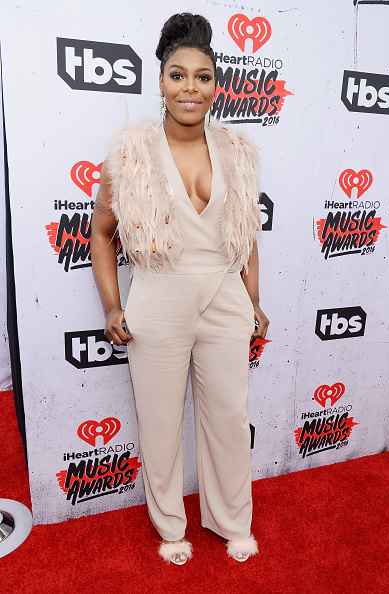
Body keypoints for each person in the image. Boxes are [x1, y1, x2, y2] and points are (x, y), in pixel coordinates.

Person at [90, 12, 269, 565]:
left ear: (217, 83)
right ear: (160, 80)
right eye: (178, 74)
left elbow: (246, 234)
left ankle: (232, 519)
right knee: (162, 425)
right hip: (158, 298)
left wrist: (254, 299)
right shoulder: (130, 156)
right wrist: (113, 304)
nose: (190, 87)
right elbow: (100, 232)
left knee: (229, 422)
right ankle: (171, 527)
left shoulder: (237, 151)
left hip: (224, 297)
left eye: (203, 76)